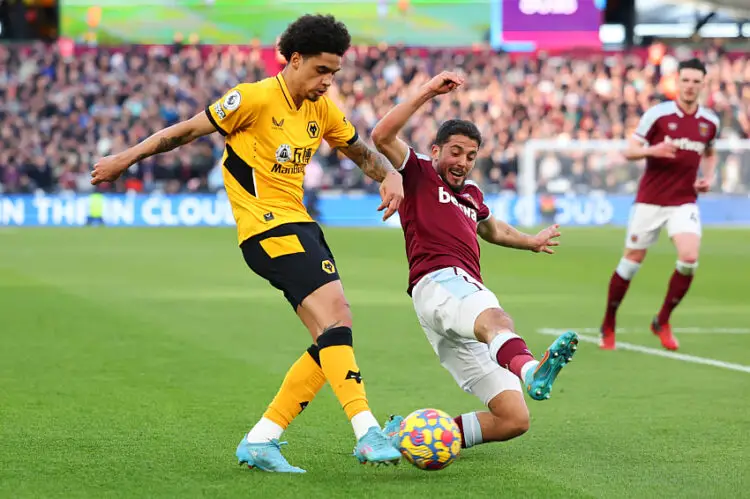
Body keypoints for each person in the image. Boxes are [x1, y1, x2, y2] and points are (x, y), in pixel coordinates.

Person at [90, 14, 404, 472]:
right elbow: (184, 132)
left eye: (335, 73)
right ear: (294, 61)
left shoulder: (323, 111)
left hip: (300, 225)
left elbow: (361, 153)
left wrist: (391, 174)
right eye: (321, 70)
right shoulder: (253, 98)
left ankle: (262, 439)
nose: (328, 81)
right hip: (267, 229)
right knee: (339, 315)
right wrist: (126, 158)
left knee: (330, 336)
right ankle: (366, 431)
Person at [370, 71, 578, 451]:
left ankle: (403, 437)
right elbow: (381, 135)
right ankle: (533, 369)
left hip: (449, 309)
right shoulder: (416, 172)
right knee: (497, 319)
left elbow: (493, 230)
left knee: (513, 419)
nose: (462, 162)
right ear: (435, 151)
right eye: (455, 152)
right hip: (439, 281)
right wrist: (429, 91)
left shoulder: (472, 195)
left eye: (470, 156)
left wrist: (531, 241)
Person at [599, 58, 719, 351]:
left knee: (689, 259)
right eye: (686, 80)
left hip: (684, 200)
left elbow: (710, 152)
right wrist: (655, 150)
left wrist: (708, 177)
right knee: (630, 265)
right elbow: (630, 151)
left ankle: (662, 320)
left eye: (696, 81)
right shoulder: (658, 115)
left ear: (703, 85)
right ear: (678, 82)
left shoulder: (710, 122)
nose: (690, 86)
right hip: (650, 200)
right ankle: (609, 322)